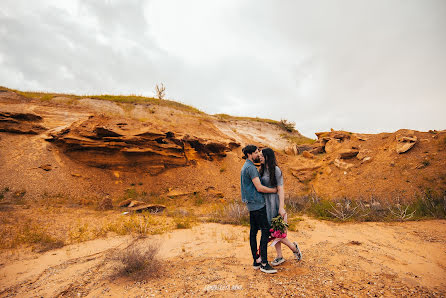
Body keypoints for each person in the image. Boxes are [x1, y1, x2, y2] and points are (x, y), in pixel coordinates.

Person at [259, 147, 302, 266]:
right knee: (271, 232)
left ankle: (293, 248)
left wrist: (281, 207)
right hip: (265, 204)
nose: (260, 157)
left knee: (276, 231)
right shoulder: (261, 170)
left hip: (274, 203)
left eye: (262, 155)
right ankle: (280, 256)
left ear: (268, 157)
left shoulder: (276, 170)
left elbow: (281, 189)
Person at [240, 145, 277, 274]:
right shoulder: (251, 168)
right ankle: (264, 263)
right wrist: (273, 190)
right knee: (265, 231)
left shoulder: (246, 166)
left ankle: (256, 261)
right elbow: (259, 188)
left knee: (254, 231)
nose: (258, 155)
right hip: (257, 204)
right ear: (250, 154)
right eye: (256, 153)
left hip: (251, 204)